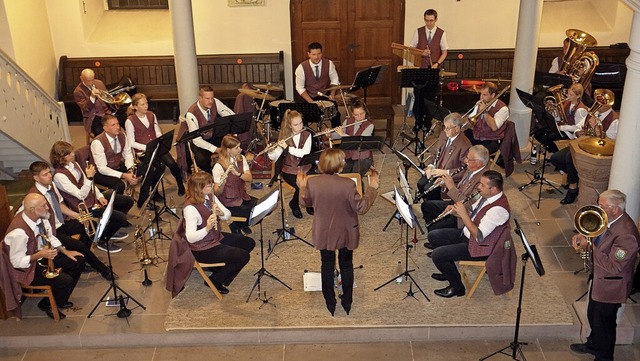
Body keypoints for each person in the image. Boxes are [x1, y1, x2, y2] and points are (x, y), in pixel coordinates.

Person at [297, 148, 379, 316]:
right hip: (346, 231)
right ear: (339, 166)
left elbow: (305, 202)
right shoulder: (348, 184)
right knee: (346, 264)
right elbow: (361, 207)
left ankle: (330, 302)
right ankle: (347, 301)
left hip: (324, 231)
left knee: (326, 266)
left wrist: (302, 186)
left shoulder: (313, 183)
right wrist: (372, 188)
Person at [569, 190, 639, 361]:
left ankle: (604, 356)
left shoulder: (627, 234)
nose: (598, 208)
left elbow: (614, 267)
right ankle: (593, 344)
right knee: (593, 316)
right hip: (600, 280)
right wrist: (583, 235)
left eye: (602, 206)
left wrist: (591, 246)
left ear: (616, 209)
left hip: (611, 287)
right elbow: (597, 234)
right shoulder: (609, 219)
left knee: (605, 324)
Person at [25, 161, 115, 280]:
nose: (49, 176)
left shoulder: (51, 186)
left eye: (49, 172)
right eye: (45, 174)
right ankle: (104, 270)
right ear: (36, 178)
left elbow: (60, 205)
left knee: (90, 224)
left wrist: (78, 216)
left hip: (60, 224)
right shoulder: (34, 197)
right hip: (51, 232)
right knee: (80, 245)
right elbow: (42, 228)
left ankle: (85, 260)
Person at [3, 193, 85, 320]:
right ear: (32, 209)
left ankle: (60, 298)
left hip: (42, 256)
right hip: (27, 269)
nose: (48, 208)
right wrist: (39, 254)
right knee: (65, 281)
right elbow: (16, 262)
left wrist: (65, 251)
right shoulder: (19, 233)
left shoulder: (39, 217)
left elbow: (50, 236)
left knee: (77, 261)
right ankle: (47, 304)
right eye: (44, 205)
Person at [429, 170, 510, 298]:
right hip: (468, 235)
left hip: (481, 248)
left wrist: (463, 215)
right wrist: (455, 211)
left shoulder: (498, 210)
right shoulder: (486, 196)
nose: (478, 186)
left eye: (482, 185)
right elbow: (472, 212)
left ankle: (457, 287)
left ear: (493, 189)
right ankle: (448, 270)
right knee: (433, 236)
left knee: (438, 255)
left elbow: (479, 236)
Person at [178, 172, 255, 294]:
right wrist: (207, 228)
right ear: (199, 189)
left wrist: (221, 214)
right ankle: (216, 280)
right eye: (209, 185)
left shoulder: (210, 196)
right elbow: (191, 238)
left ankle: (218, 267)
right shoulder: (191, 209)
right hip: (202, 248)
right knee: (243, 256)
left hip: (216, 237)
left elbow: (228, 213)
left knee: (248, 243)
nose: (212, 186)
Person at [51, 141, 134, 253]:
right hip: (82, 207)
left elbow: (88, 183)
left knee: (127, 201)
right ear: (60, 157)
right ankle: (102, 240)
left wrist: (99, 196)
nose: (73, 155)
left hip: (92, 198)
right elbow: (81, 195)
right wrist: (90, 178)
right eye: (68, 154)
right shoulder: (59, 176)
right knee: (121, 218)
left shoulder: (74, 164)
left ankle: (107, 229)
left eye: (72, 152)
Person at [550, 89, 617, 205]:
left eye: (602, 103)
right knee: (555, 158)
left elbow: (611, 142)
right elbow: (579, 126)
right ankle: (576, 177)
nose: (598, 105)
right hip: (582, 145)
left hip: (596, 153)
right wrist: (577, 132)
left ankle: (573, 188)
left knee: (570, 159)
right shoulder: (594, 112)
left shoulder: (614, 120)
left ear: (608, 105)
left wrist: (596, 129)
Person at [421, 145, 490, 238]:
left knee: (434, 231)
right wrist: (445, 183)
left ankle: (444, 238)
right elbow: (461, 188)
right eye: (466, 157)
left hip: (462, 214)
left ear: (478, 163)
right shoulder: (471, 168)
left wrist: (451, 187)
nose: (465, 161)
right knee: (426, 206)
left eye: (469, 159)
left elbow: (467, 204)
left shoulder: (483, 181)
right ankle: (436, 232)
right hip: (454, 203)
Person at [125, 93, 185, 196]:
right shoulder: (130, 121)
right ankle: (154, 192)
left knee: (171, 163)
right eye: (142, 104)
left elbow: (157, 130)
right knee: (157, 167)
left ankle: (180, 184)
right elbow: (131, 142)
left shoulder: (151, 115)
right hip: (143, 151)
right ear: (135, 107)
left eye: (146, 103)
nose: (146, 106)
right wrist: (147, 147)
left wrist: (159, 140)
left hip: (156, 147)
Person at [267, 110, 313, 219]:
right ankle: (294, 204)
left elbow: (304, 153)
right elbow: (275, 157)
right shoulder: (284, 137)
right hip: (288, 169)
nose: (300, 126)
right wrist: (271, 151)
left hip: (304, 166)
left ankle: (308, 203)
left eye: (301, 123)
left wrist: (288, 148)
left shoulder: (307, 135)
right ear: (290, 125)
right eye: (296, 125)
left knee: (313, 181)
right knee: (300, 185)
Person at [416, 112, 471, 200]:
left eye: (447, 128)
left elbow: (465, 171)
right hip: (436, 170)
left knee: (428, 189)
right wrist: (430, 166)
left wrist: (446, 172)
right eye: (444, 127)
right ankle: (427, 202)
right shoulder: (444, 134)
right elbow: (434, 152)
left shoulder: (465, 145)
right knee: (420, 184)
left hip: (449, 177)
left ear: (457, 128)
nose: (445, 130)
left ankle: (433, 205)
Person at [184, 85, 235, 174]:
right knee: (202, 160)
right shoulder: (191, 114)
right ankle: (214, 174)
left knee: (234, 146)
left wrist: (232, 121)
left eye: (212, 98)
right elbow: (196, 140)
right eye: (207, 98)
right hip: (201, 141)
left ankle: (232, 171)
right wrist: (216, 149)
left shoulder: (215, 102)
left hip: (214, 135)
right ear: (200, 98)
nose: (211, 101)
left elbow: (230, 115)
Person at [213, 135, 256, 235]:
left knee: (262, 210)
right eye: (236, 148)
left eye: (239, 146)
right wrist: (222, 184)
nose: (240, 149)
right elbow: (216, 192)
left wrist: (239, 174)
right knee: (251, 214)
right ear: (228, 150)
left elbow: (249, 179)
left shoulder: (241, 158)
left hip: (242, 196)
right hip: (229, 202)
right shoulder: (218, 166)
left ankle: (239, 224)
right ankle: (236, 226)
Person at [294, 42, 341, 128]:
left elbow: (335, 79)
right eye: (314, 54)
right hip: (309, 95)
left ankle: (337, 135)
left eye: (319, 54)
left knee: (336, 114)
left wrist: (332, 94)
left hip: (325, 94)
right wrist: (311, 102)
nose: (316, 57)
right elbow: (300, 88)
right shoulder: (301, 68)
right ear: (308, 54)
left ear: (321, 53)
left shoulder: (329, 64)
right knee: (302, 116)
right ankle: (306, 135)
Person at [90, 114, 138, 194]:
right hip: (100, 173)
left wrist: (130, 169)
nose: (117, 127)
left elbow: (128, 154)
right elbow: (102, 168)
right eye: (113, 125)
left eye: (118, 124)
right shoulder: (98, 142)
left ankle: (144, 198)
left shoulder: (122, 135)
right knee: (119, 185)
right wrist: (123, 175)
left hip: (117, 165)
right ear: (105, 128)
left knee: (146, 168)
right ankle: (118, 204)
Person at [332, 100, 375, 179]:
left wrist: (342, 134)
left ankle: (357, 190)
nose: (359, 117)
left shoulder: (369, 125)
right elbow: (337, 135)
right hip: (348, 156)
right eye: (356, 115)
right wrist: (330, 135)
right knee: (341, 176)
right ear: (352, 114)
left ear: (365, 112)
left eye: (362, 114)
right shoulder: (348, 121)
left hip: (363, 158)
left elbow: (360, 141)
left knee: (355, 176)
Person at [464, 82, 508, 155]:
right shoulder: (480, 103)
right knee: (459, 141)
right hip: (478, 135)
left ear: (493, 95)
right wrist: (462, 123)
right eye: (481, 94)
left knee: (477, 154)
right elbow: (471, 120)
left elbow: (494, 127)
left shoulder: (503, 109)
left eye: (484, 95)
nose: (481, 97)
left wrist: (484, 112)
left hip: (492, 139)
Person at [73, 68, 113, 137]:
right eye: (88, 81)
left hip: (108, 112)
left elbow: (107, 97)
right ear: (82, 79)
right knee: (100, 132)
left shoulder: (99, 83)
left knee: (124, 118)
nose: (91, 82)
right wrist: (92, 97)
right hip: (94, 116)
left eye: (92, 79)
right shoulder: (78, 92)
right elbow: (85, 108)